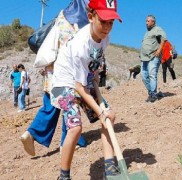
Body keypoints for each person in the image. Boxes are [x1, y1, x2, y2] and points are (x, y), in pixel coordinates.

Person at [50, 0, 122, 179]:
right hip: (65, 83)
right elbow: (78, 87)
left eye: (111, 22)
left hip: (83, 81)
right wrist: (99, 111)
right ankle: (63, 176)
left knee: (109, 117)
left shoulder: (105, 38)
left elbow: (95, 58)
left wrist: (95, 72)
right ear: (90, 17)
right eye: (103, 21)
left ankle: (110, 168)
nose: (107, 27)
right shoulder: (80, 45)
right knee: (75, 127)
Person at [20, 0, 89, 157]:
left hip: (51, 71)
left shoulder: (63, 16)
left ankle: (31, 133)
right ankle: (69, 141)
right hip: (66, 74)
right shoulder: (81, 24)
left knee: (50, 106)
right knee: (69, 106)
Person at [140, 15, 167, 103]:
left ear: (153, 22)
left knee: (152, 74)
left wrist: (159, 50)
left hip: (154, 56)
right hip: (144, 58)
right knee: (143, 75)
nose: (146, 23)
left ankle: (153, 94)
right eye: (146, 21)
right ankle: (152, 92)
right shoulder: (147, 33)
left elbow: (164, 38)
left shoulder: (157, 29)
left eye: (148, 21)